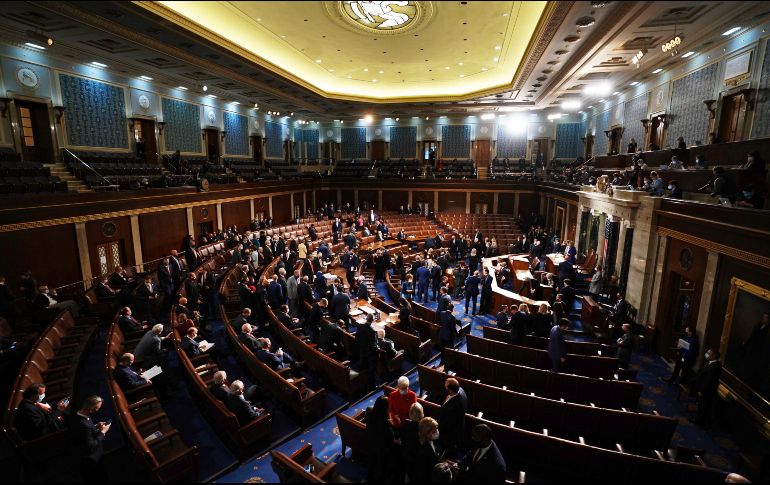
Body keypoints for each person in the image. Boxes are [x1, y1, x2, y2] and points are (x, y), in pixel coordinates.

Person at [68, 395, 110, 483]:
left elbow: (84, 433)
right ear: (91, 408)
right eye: (97, 408)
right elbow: (90, 445)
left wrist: (96, 427)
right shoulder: (84, 424)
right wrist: (103, 432)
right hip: (91, 459)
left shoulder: (80, 413)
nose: (98, 410)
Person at [365, 395, 398, 482]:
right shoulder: (385, 422)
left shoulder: (369, 414)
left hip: (370, 444)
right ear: (385, 408)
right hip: (382, 450)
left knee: (372, 465)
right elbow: (391, 438)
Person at [438, 377, 467, 460]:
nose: (444, 387)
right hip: (453, 424)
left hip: (452, 431)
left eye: (446, 387)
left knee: (450, 447)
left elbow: (449, 423)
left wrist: (439, 427)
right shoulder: (460, 389)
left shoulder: (455, 406)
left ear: (450, 390)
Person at [692, 349, 722, 426]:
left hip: (707, 391)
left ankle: (701, 422)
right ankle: (698, 420)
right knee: (701, 405)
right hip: (703, 389)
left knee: (704, 407)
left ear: (714, 356)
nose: (707, 354)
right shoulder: (710, 363)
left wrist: (701, 390)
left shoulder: (715, 367)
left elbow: (708, 381)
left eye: (709, 353)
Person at [414, 417, 441, 484]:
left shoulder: (430, 441)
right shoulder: (422, 451)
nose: (437, 432)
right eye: (434, 431)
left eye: (437, 429)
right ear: (426, 433)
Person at [402, 403, 424, 482]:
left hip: (407, 454)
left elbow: (403, 438)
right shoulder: (422, 428)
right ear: (421, 414)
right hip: (417, 457)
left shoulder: (406, 424)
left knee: (408, 473)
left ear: (410, 413)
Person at [357, 314, 379, 387]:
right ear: (372, 320)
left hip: (361, 349)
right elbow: (373, 345)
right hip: (370, 352)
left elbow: (357, 338)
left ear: (366, 319)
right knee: (372, 368)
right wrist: (377, 350)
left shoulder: (360, 326)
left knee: (362, 363)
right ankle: (372, 385)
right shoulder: (372, 331)